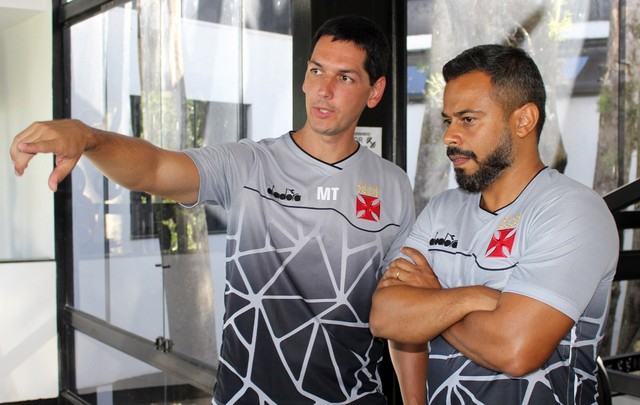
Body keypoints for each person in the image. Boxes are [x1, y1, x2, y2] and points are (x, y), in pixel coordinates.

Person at [11, 15, 415, 404]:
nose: (323, 89)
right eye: (316, 71)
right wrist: (89, 138)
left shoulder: (392, 186)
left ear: (374, 91)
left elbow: (399, 310)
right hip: (246, 396)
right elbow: (154, 168)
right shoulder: (248, 164)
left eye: (344, 78)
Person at [369, 44, 619, 404]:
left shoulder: (573, 211)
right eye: (448, 120)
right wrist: (475, 298)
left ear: (524, 120)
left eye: (468, 119)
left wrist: (432, 297)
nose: (449, 136)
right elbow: (386, 318)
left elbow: (514, 349)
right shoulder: (442, 209)